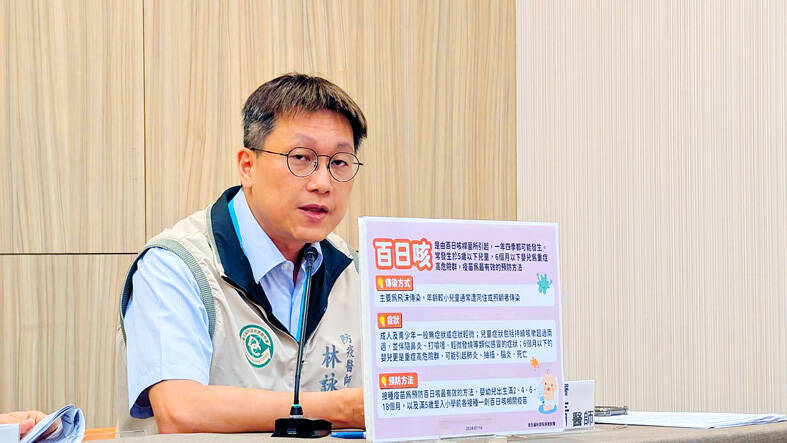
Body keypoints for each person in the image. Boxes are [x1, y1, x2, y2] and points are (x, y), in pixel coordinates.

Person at [116, 73, 367, 434]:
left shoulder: (355, 270)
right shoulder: (176, 265)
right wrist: (342, 408)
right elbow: (180, 410)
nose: (322, 183)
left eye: (339, 163)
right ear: (247, 166)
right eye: (301, 158)